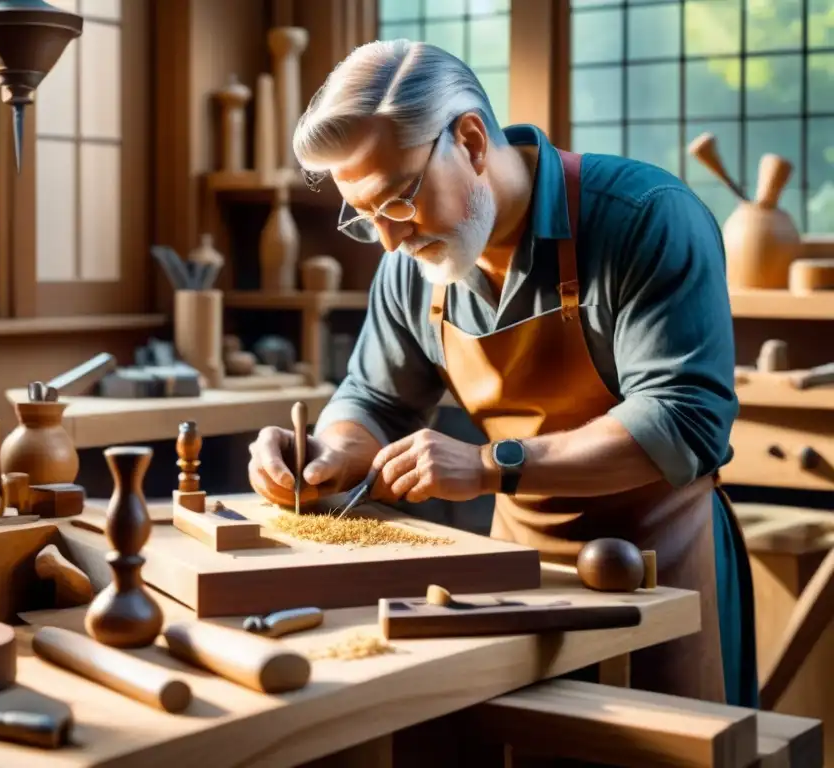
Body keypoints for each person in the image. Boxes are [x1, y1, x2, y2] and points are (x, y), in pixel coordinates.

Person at [247, 39, 758, 707]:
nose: (390, 241)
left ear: (472, 141)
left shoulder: (644, 220)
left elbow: (681, 420)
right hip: (514, 578)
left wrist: (492, 464)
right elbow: (375, 398)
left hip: (664, 565)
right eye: (364, 218)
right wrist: (328, 455)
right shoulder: (412, 265)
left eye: (398, 201)